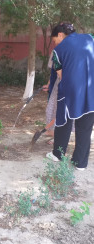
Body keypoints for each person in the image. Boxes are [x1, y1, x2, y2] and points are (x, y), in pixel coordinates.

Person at [46, 23, 94, 171]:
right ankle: (80, 163)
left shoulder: (58, 50)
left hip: (70, 91)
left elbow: (61, 75)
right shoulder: (90, 39)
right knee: (85, 127)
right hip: (91, 89)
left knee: (63, 122)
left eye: (55, 40)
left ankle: (58, 154)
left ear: (60, 35)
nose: (55, 43)